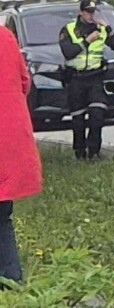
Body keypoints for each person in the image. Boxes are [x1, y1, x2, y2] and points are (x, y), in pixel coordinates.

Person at [0, 24, 43, 286]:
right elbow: (24, 81)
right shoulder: (4, 36)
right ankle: (11, 280)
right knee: (2, 216)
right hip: (9, 138)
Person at [59, 0, 114, 160]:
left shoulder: (100, 29)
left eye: (93, 12)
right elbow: (68, 52)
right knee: (78, 120)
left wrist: (108, 29)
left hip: (95, 78)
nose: (91, 15)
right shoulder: (69, 29)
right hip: (76, 78)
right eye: (88, 12)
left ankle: (94, 151)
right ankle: (80, 152)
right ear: (81, 12)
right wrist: (87, 42)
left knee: (97, 114)